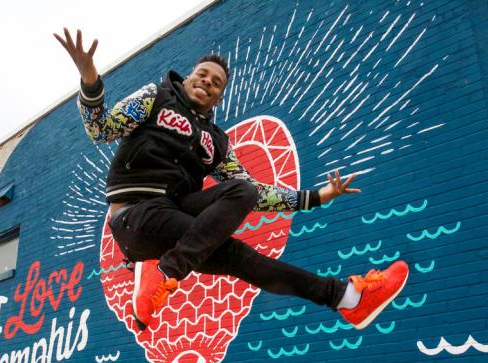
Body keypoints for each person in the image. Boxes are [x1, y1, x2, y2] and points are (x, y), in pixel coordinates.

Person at [54, 28, 408, 331]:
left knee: (242, 210)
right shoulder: (155, 97)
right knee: (233, 237)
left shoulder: (217, 142)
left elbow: (255, 195)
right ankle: (164, 272)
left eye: (217, 82)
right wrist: (89, 81)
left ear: (220, 97)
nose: (207, 81)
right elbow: (100, 130)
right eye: (202, 74)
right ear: (188, 77)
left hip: (175, 225)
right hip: (136, 216)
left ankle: (346, 298)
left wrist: (315, 197)